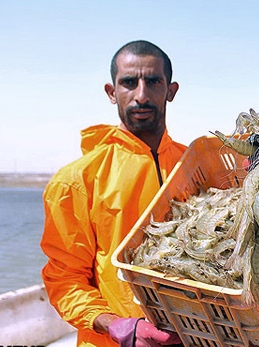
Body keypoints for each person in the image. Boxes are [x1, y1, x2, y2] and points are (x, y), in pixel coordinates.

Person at [40, 40, 187, 346]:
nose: (141, 95)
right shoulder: (77, 180)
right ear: (112, 92)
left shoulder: (195, 166)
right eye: (129, 83)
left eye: (153, 81)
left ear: (171, 91)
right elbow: (65, 280)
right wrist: (116, 325)